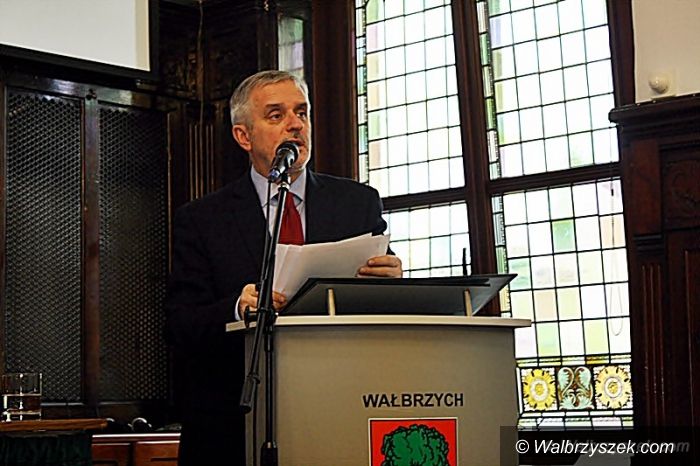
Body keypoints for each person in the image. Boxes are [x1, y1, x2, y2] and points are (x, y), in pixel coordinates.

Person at [165, 70, 402, 466]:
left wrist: (393, 282)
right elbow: (180, 324)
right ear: (244, 136)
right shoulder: (203, 219)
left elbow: (384, 306)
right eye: (276, 115)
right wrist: (236, 308)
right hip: (235, 422)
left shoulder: (357, 204)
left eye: (301, 113)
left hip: (340, 409)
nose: (295, 124)